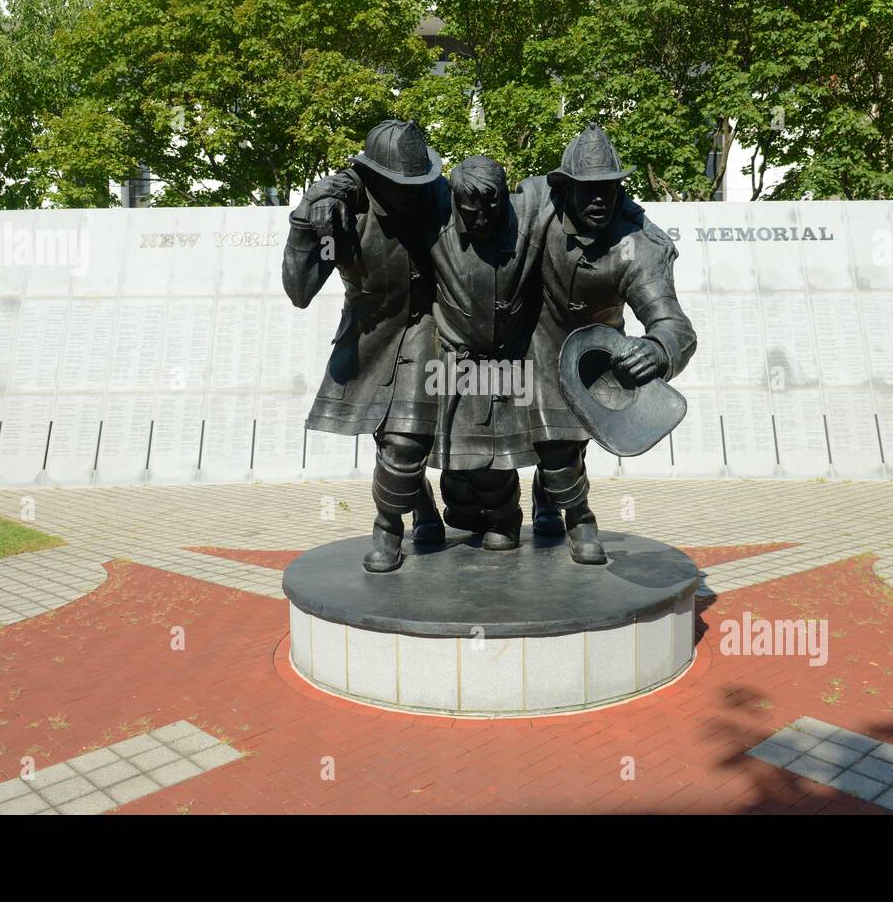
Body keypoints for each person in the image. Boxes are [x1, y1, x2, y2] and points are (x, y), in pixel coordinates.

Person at [515, 122, 697, 564]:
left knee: (572, 443)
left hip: (595, 350)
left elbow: (672, 321)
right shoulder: (536, 205)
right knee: (556, 442)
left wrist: (657, 348)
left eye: (609, 188)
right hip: (536, 337)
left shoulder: (638, 243)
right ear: (565, 188)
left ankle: (552, 500)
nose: (599, 199)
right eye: (587, 189)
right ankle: (578, 515)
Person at [281, 120, 448, 573]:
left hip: (428, 326)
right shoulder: (340, 212)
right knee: (388, 435)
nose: (412, 193)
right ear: (374, 177)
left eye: (418, 183)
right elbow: (300, 292)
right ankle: (419, 510)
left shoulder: (440, 195)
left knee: (405, 436)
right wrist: (303, 227)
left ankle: (387, 526)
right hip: (371, 332)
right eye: (401, 185)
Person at [424, 156, 542, 550]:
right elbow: (385, 183)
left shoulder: (526, 212)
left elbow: (571, 187)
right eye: (471, 211)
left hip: (508, 362)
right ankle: (463, 513)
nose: (481, 220)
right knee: (456, 466)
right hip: (453, 361)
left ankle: (507, 518)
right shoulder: (434, 212)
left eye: (492, 209)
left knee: (494, 460)